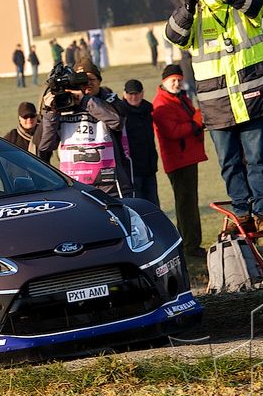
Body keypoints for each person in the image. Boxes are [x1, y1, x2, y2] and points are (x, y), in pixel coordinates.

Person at [164, 0, 263, 233]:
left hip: (252, 99)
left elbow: (257, 0)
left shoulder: (243, 7)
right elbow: (173, 36)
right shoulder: (195, 17)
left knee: (258, 160)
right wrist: (188, 5)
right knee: (229, 163)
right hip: (217, 104)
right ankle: (242, 211)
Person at [39, 59, 132, 197]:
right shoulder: (63, 106)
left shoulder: (110, 100)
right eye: (82, 79)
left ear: (99, 81)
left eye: (91, 78)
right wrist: (50, 112)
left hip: (111, 184)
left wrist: (85, 101)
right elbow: (46, 146)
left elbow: (116, 121)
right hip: (76, 185)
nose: (87, 83)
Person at [152, 64, 207, 256]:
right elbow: (173, 132)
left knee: (188, 201)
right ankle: (190, 245)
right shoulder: (162, 104)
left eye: (178, 80)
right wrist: (196, 122)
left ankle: (190, 242)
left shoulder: (180, 98)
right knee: (186, 203)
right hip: (178, 159)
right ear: (164, 82)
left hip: (187, 156)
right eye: (172, 80)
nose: (176, 83)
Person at [118, 79, 160, 207]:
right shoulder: (120, 113)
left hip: (149, 168)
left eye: (136, 93)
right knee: (139, 207)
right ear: (124, 94)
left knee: (153, 206)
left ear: (142, 93)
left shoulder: (147, 110)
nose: (133, 97)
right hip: (132, 171)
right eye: (130, 94)